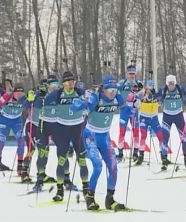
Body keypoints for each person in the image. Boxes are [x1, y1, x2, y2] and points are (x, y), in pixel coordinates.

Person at [74, 75, 127, 210]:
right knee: (98, 166)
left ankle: (110, 199)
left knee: (113, 166)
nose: (112, 93)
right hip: (91, 135)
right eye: (110, 90)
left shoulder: (117, 98)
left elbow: (127, 110)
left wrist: (136, 105)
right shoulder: (95, 98)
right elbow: (75, 107)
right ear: (103, 89)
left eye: (114, 90)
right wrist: (83, 99)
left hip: (105, 136)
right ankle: (90, 197)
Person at [44, 71, 88, 201]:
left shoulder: (80, 92)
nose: (70, 84)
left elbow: (92, 101)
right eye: (68, 81)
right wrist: (39, 95)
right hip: (62, 128)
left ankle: (86, 189)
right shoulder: (57, 93)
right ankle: (59, 191)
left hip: (77, 128)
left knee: (82, 160)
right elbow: (43, 102)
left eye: (72, 81)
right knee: (61, 160)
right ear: (63, 83)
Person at [0, 83, 27, 177]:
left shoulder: (24, 99)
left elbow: (30, 106)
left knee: (21, 142)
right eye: (17, 93)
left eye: (21, 93)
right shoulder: (7, 96)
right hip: (4, 121)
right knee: (0, 144)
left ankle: (20, 166)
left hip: (17, 121)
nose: (19, 95)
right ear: (14, 92)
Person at [155, 74, 186, 171]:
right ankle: (164, 160)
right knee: (165, 138)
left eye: (172, 83)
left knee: (184, 137)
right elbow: (154, 96)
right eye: (169, 84)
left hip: (178, 115)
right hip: (167, 116)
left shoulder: (180, 89)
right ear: (167, 84)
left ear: (175, 83)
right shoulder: (163, 90)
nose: (171, 86)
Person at [116, 65, 142, 161]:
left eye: (133, 74)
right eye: (130, 74)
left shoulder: (139, 84)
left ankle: (135, 152)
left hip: (134, 111)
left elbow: (143, 94)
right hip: (124, 110)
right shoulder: (122, 83)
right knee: (122, 132)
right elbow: (115, 91)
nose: (132, 76)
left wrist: (139, 101)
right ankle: (120, 153)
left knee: (136, 132)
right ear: (127, 74)